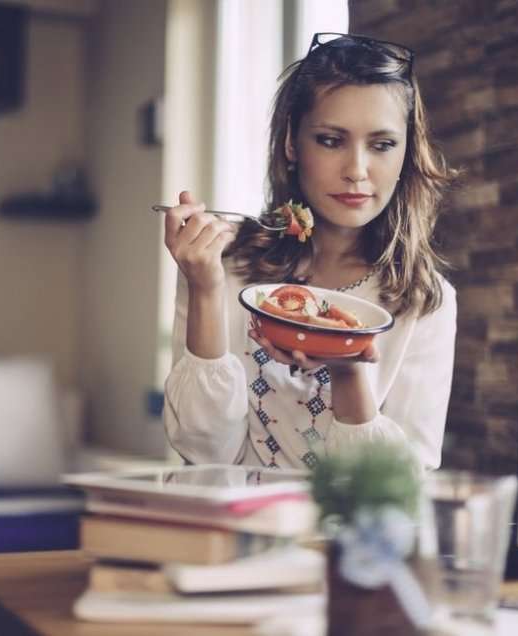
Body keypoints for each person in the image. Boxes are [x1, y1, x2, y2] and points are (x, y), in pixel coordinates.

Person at [162, 32, 457, 471]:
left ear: (406, 155)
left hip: (345, 539)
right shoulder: (224, 265)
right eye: (331, 140)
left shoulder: (424, 299)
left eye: (381, 145)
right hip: (233, 532)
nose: (357, 170)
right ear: (291, 145)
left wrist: (348, 369)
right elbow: (204, 454)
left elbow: (397, 487)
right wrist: (205, 290)